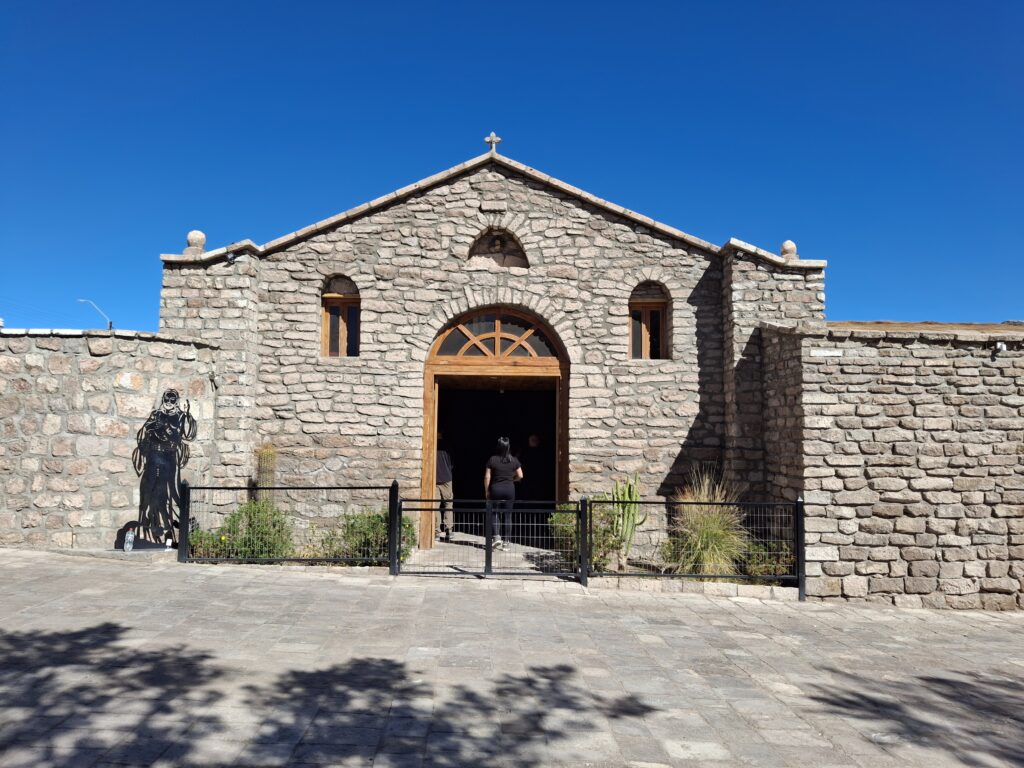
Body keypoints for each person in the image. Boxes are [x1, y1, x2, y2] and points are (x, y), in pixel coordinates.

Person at [484, 436, 523, 550]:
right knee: (508, 515)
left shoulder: (492, 459)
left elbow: (487, 477)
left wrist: (487, 491)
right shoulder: (514, 460)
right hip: (509, 489)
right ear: (508, 447)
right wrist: (513, 479)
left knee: (495, 513)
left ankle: (497, 537)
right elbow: (521, 475)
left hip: (496, 489)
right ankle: (506, 542)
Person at [435, 431, 454, 542]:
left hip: (435, 479)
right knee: (448, 504)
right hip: (447, 478)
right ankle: (448, 531)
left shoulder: (431, 446)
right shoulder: (448, 448)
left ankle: (437, 532)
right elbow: (452, 464)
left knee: (435, 505)